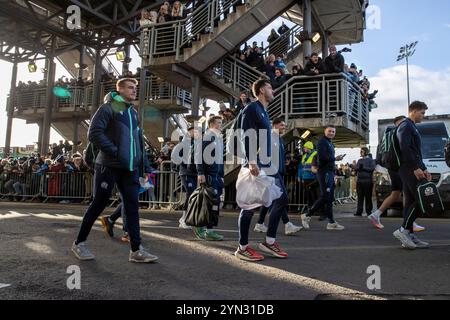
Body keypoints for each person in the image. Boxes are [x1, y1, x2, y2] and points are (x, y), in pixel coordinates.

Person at [71, 78, 158, 263]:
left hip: (130, 168)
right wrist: (115, 151)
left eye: (135, 88)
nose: (134, 90)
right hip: (109, 165)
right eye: (130, 88)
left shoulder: (133, 113)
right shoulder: (109, 108)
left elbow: (138, 141)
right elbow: (94, 132)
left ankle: (136, 250)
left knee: (132, 207)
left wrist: (144, 166)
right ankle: (79, 243)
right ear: (119, 90)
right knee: (99, 204)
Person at [235, 79, 289, 262]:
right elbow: (246, 136)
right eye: (269, 87)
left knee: (281, 198)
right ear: (260, 90)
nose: (272, 90)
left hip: (267, 164)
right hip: (256, 164)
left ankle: (269, 241)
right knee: (250, 206)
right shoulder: (251, 108)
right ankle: (242, 247)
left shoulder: (264, 112)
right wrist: (251, 161)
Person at [393, 101, 431, 249]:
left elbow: (416, 151)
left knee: (409, 202)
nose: (423, 116)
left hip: (411, 167)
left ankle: (408, 234)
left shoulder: (411, 126)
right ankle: (403, 231)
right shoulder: (406, 125)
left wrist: (424, 168)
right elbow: (405, 147)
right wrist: (416, 167)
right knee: (422, 200)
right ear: (413, 111)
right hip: (408, 168)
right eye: (422, 113)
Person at [254, 118, 302, 236]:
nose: (284, 127)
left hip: (277, 172)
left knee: (269, 200)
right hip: (271, 173)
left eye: (285, 125)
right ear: (274, 125)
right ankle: (287, 225)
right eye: (282, 125)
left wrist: (283, 163)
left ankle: (260, 224)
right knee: (280, 198)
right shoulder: (269, 136)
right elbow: (262, 156)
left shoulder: (278, 138)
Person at [301, 125, 345, 230]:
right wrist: (335, 158)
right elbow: (323, 157)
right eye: (329, 131)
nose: (331, 133)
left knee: (329, 198)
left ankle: (331, 222)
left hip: (329, 172)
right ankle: (307, 215)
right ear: (325, 131)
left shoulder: (329, 143)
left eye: (333, 131)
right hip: (324, 172)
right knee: (325, 196)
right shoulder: (322, 142)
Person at [192, 116, 225, 241]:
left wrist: (221, 175)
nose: (221, 125)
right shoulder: (207, 137)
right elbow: (198, 155)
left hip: (216, 176)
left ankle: (206, 228)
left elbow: (220, 159)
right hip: (208, 175)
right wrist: (200, 172)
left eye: (221, 123)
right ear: (211, 124)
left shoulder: (218, 138)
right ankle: (205, 228)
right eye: (218, 123)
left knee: (213, 203)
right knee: (208, 202)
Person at [171, 126, 200, 229]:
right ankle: (183, 219)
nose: (196, 133)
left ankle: (186, 218)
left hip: (194, 173)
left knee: (192, 195)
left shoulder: (196, 143)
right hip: (185, 173)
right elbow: (174, 156)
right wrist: (184, 162)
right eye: (194, 131)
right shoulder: (183, 143)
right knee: (190, 193)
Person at [298, 141, 324, 220]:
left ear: (309, 147)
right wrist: (300, 176)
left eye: (305, 147)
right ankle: (311, 210)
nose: (304, 148)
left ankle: (318, 210)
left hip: (313, 178)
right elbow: (301, 167)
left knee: (316, 195)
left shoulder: (315, 154)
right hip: (306, 178)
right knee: (309, 195)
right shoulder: (304, 156)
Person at [354, 147, 376, 216]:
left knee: (368, 197)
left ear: (366, 152)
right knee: (360, 197)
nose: (360, 153)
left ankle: (368, 211)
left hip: (367, 181)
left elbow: (372, 168)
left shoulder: (371, 160)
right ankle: (359, 211)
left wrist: (363, 168)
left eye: (362, 151)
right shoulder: (359, 160)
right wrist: (358, 168)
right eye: (360, 151)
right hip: (359, 181)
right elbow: (356, 168)